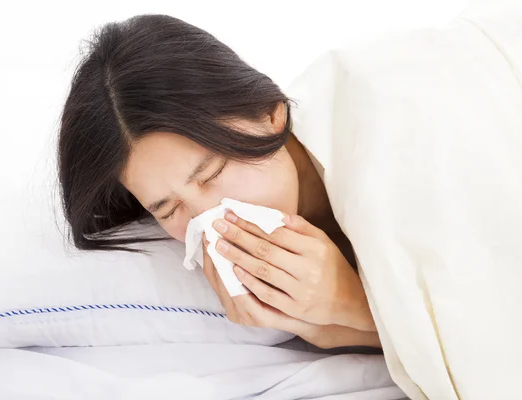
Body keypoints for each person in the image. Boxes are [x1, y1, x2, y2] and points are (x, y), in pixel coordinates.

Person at [58, 14, 378, 349]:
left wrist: (351, 304)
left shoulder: (385, 145)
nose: (212, 218)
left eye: (212, 173)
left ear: (270, 113)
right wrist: (326, 329)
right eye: (168, 210)